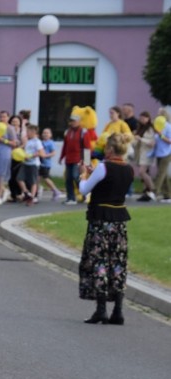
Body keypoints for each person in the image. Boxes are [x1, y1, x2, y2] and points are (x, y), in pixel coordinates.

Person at [78, 133, 134, 325]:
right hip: (119, 221)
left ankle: (101, 309)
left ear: (109, 149)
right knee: (117, 264)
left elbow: (85, 189)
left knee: (99, 262)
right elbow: (111, 184)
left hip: (100, 220)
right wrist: (94, 173)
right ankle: (118, 310)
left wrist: (83, 176)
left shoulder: (103, 167)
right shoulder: (128, 169)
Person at [60, 111, 90, 205]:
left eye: (74, 121)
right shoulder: (67, 132)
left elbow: (87, 147)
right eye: (71, 121)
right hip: (69, 159)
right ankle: (71, 198)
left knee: (76, 177)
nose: (72, 122)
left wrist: (87, 161)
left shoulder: (83, 132)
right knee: (68, 178)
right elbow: (65, 146)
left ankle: (85, 193)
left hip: (78, 159)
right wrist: (61, 157)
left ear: (79, 121)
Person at [132, 112, 157, 201]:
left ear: (148, 118)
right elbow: (135, 141)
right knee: (144, 173)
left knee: (142, 172)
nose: (142, 120)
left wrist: (140, 139)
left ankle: (153, 188)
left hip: (147, 154)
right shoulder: (140, 128)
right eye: (141, 118)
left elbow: (151, 143)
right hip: (140, 154)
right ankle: (147, 192)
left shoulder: (150, 129)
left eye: (144, 118)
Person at [17, 124, 44, 205]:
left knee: (33, 181)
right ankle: (26, 193)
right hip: (25, 163)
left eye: (28, 131)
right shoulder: (28, 141)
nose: (26, 133)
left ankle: (32, 197)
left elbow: (41, 153)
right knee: (19, 178)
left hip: (33, 164)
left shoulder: (37, 142)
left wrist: (31, 156)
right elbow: (24, 148)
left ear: (33, 132)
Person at [152, 110, 171, 202]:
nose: (157, 115)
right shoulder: (158, 126)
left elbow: (170, 141)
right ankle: (168, 195)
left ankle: (154, 191)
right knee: (164, 174)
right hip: (159, 152)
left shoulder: (168, 126)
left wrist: (160, 135)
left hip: (167, 152)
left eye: (159, 113)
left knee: (160, 173)